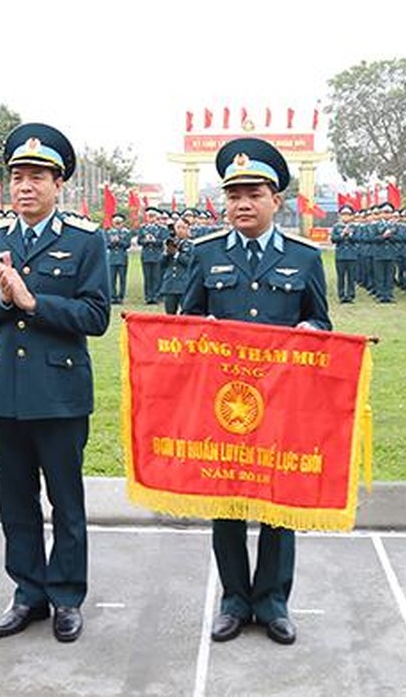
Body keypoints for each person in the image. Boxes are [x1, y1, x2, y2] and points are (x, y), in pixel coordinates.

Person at [0, 122, 111, 643]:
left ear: (59, 183)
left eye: (37, 177)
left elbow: (95, 316)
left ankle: (66, 596)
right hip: (5, 390)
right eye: (18, 176)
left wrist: (32, 303)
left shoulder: (85, 241)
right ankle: (27, 591)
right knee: (16, 501)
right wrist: (2, 300)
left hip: (60, 392)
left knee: (65, 502)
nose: (26, 186)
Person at [181, 137, 331, 647]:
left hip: (280, 406)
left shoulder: (305, 257)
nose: (242, 203)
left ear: (277, 200)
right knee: (226, 502)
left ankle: (272, 602)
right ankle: (233, 600)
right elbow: (187, 320)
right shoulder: (205, 254)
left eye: (254, 193)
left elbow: (319, 320)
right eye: (234, 194)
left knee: (275, 505)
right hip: (224, 405)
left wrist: (311, 333)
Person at [159, 217, 192, 314]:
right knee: (170, 315)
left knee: (187, 313)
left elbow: (190, 263)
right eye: (178, 227)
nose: (180, 230)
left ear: (188, 230)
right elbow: (161, 264)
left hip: (184, 284)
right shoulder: (170, 243)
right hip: (170, 284)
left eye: (183, 228)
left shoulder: (192, 245)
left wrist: (177, 254)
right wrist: (166, 253)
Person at [104, 212, 132, 304]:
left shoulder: (126, 232)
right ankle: (113, 297)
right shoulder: (108, 232)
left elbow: (127, 245)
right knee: (112, 279)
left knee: (122, 279)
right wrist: (112, 242)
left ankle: (121, 297)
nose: (117, 225)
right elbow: (106, 244)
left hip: (122, 258)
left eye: (119, 223)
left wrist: (119, 241)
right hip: (112, 258)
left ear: (123, 223)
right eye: (116, 223)